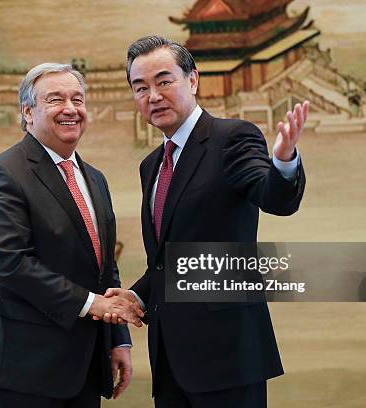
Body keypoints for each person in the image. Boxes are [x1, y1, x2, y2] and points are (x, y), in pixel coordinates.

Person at [104, 35, 308, 407]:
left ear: (192, 80)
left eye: (164, 81)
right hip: (169, 361)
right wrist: (136, 295)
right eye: (140, 87)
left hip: (228, 357)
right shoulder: (151, 165)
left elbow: (274, 197)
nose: (153, 95)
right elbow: (171, 259)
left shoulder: (232, 138)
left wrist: (283, 161)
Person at [0, 62, 143, 407]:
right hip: (23, 366)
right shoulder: (2, 173)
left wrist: (117, 340)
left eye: (78, 100)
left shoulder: (95, 179)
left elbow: (104, 268)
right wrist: (94, 304)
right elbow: (10, 262)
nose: (70, 109)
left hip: (86, 366)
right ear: (28, 112)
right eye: (55, 99)